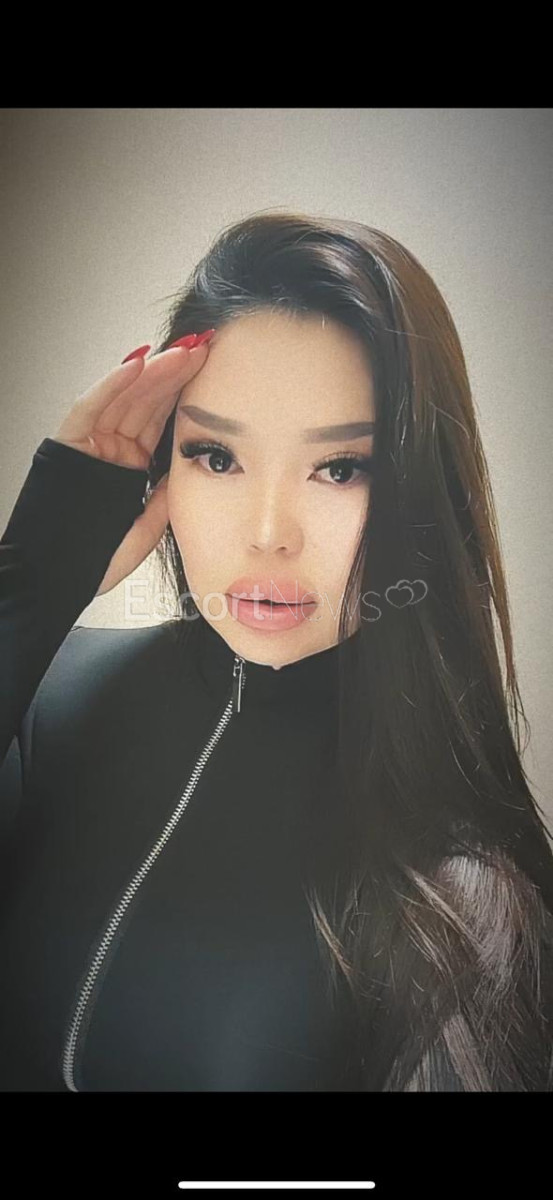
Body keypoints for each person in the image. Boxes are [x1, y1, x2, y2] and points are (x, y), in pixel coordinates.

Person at [1, 210, 553, 1093]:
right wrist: (23, 595)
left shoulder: (464, 892)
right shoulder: (45, 693)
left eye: (340, 467)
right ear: (162, 465)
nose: (267, 534)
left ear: (419, 495)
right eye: (216, 455)